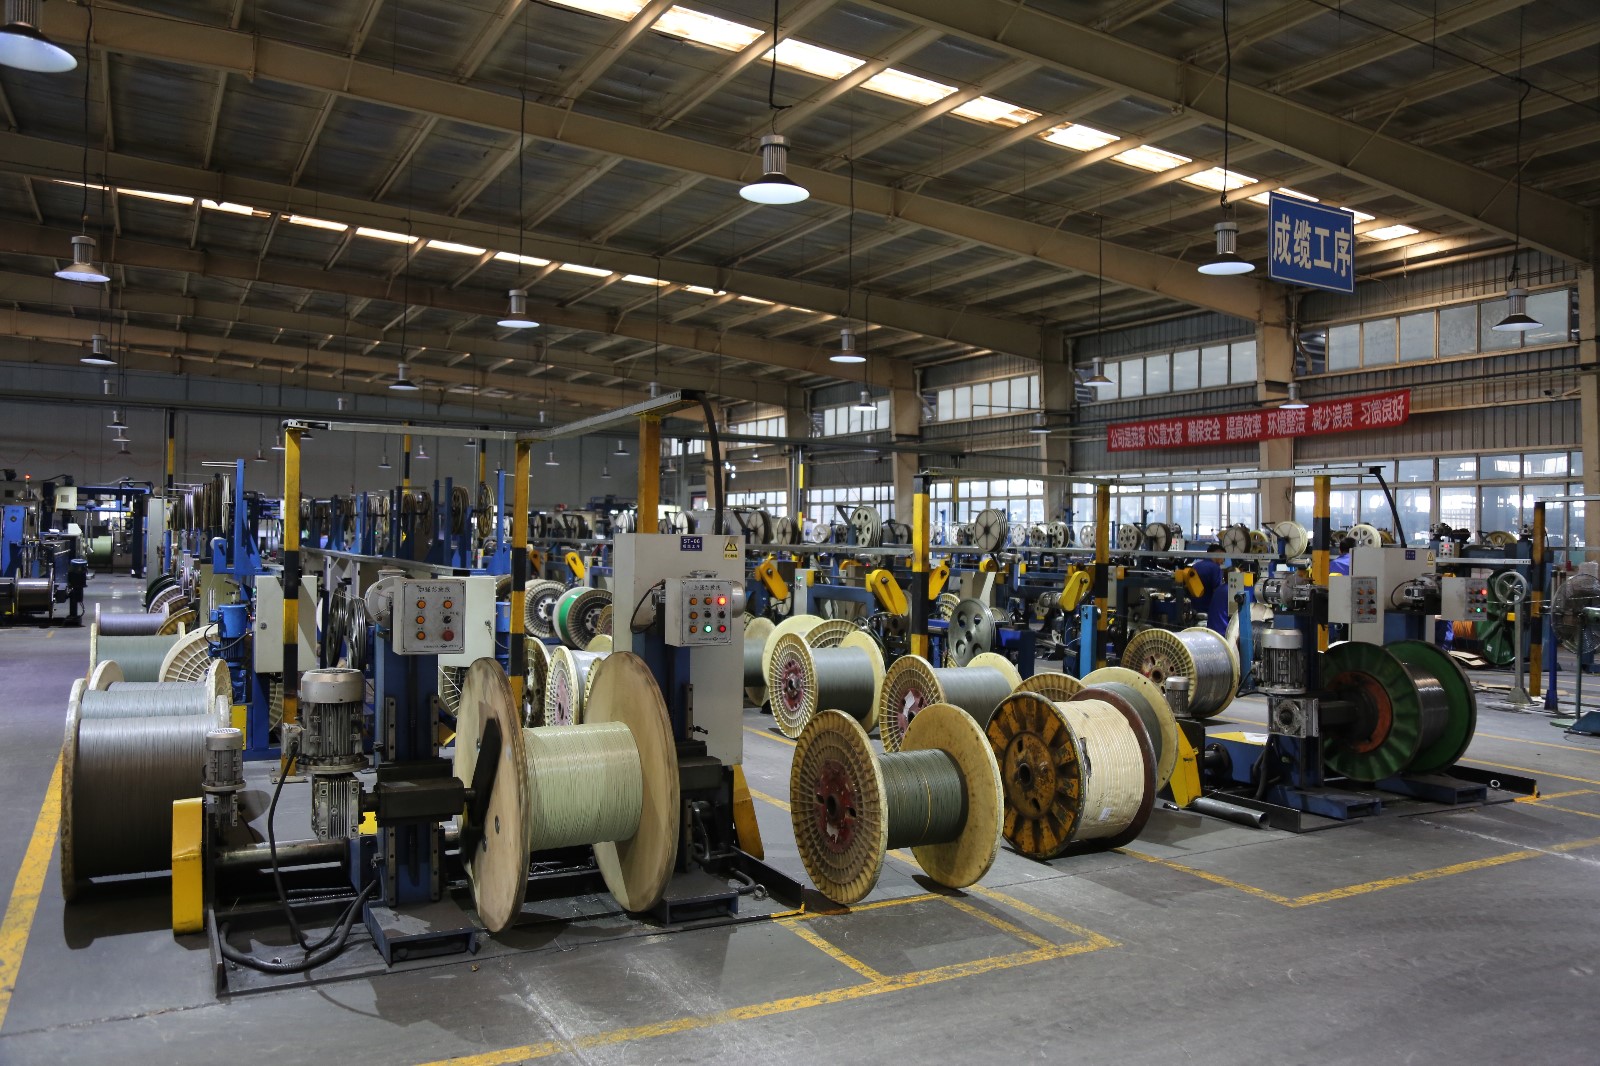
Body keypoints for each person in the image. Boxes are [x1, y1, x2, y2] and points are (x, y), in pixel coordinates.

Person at [1185, 543, 1231, 634]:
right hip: (1208, 610)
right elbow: (1217, 592)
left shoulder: (1196, 566)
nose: (1223, 561)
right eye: (1223, 557)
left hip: (1194, 609)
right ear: (1218, 553)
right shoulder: (1215, 568)